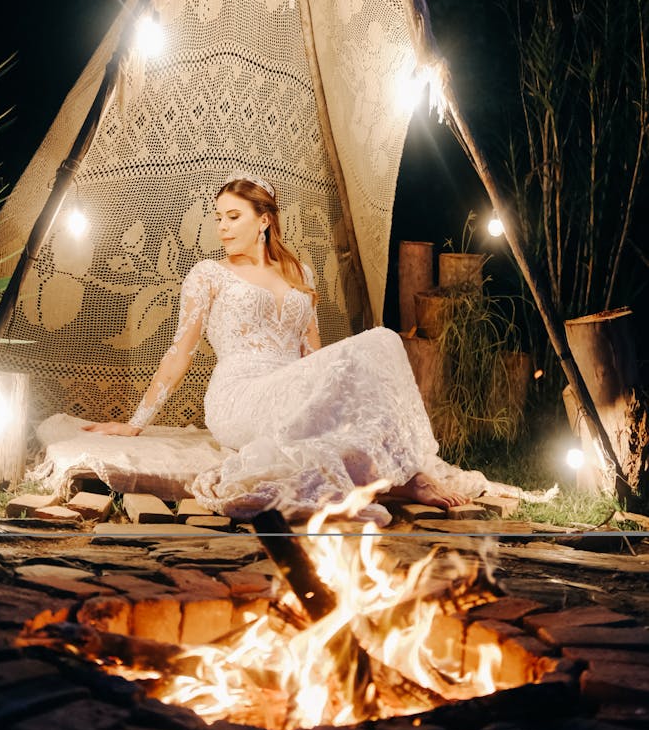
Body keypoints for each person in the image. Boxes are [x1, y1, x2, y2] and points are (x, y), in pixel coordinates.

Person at [83, 174, 505, 526]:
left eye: (233, 217)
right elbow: (180, 350)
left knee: (383, 340)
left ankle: (408, 471)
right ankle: (409, 480)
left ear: (264, 220)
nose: (223, 228)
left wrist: (334, 390)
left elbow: (313, 353)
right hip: (240, 393)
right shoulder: (208, 274)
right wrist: (136, 422)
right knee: (374, 348)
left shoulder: (300, 273)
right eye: (219, 219)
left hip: (291, 381)